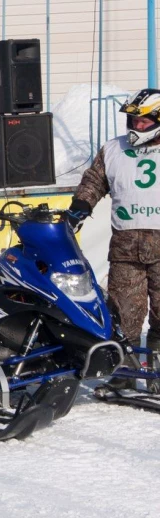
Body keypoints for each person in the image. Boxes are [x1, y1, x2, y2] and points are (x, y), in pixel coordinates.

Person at [69, 88, 160, 391]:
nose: (136, 127)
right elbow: (94, 181)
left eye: (144, 121)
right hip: (125, 250)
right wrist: (81, 206)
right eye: (132, 121)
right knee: (124, 313)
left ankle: (157, 371)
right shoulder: (112, 149)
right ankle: (125, 372)